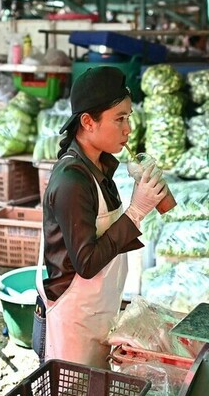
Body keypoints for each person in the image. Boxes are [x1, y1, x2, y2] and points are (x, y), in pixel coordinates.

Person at [33, 66, 167, 368]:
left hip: (97, 314)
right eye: (119, 119)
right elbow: (87, 262)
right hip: (73, 321)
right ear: (87, 122)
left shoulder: (99, 167)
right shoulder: (71, 181)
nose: (128, 129)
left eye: (128, 118)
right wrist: (136, 211)